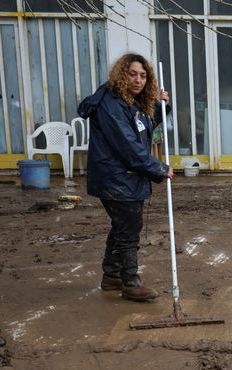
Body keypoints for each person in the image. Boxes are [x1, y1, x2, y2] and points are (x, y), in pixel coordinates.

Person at [77, 53, 173, 302]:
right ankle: (130, 282)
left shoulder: (132, 103)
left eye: (143, 75)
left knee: (122, 225)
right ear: (122, 74)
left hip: (127, 178)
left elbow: (145, 127)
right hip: (115, 178)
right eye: (132, 74)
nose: (138, 80)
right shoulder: (111, 105)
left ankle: (111, 276)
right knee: (129, 228)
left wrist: (162, 109)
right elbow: (128, 146)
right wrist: (159, 169)